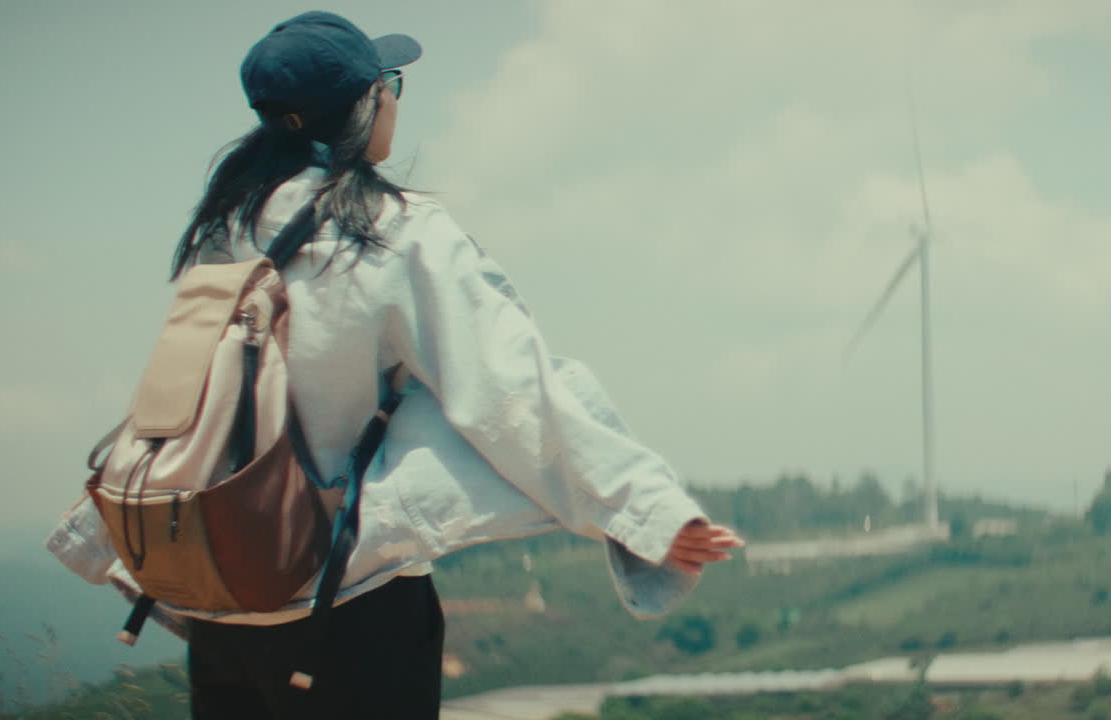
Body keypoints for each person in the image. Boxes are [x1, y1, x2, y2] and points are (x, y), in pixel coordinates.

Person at [48, 10, 743, 719]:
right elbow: (511, 398)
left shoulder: (223, 224)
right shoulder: (395, 231)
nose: (397, 99)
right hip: (343, 606)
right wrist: (647, 514)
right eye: (391, 83)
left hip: (216, 590)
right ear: (364, 104)